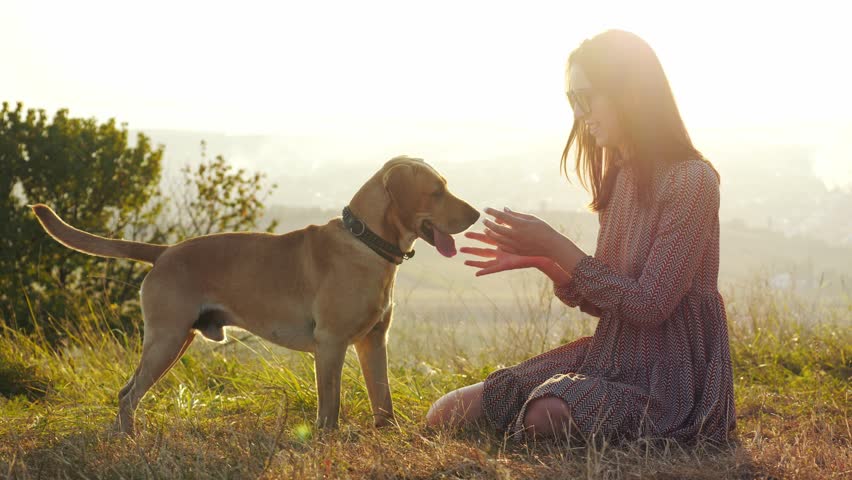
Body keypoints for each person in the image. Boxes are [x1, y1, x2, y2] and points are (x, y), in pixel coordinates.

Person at [425, 29, 736, 444]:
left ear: (629, 93)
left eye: (587, 96)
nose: (580, 113)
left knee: (545, 413)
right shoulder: (621, 175)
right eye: (573, 100)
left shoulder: (692, 181)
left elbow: (650, 305)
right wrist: (544, 261)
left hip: (670, 378)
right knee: (446, 413)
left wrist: (556, 244)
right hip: (611, 354)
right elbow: (606, 300)